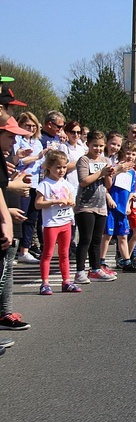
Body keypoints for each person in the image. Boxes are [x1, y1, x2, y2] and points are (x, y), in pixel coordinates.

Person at [0, 114, 31, 331]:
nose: (13, 142)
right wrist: (5, 216)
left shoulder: (7, 157)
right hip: (5, 219)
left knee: (7, 267)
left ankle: (5, 312)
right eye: (10, 136)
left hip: (11, 215)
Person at [73, 130, 117, 284]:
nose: (98, 149)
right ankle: (79, 271)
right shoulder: (84, 160)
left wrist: (109, 174)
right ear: (88, 144)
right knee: (85, 239)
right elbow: (83, 181)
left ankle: (95, 268)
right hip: (85, 206)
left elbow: (108, 185)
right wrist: (101, 172)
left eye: (100, 146)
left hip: (101, 205)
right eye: (95, 146)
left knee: (96, 240)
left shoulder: (105, 160)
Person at [35, 150, 81, 294]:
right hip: (51, 223)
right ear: (49, 167)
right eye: (58, 167)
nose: (61, 171)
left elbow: (72, 200)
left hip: (66, 221)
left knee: (64, 253)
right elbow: (38, 204)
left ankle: (66, 281)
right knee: (48, 253)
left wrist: (70, 202)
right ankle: (45, 283)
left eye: (64, 167)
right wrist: (55, 201)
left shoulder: (66, 183)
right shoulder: (45, 184)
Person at [103, 141, 136, 274]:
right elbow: (106, 185)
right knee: (107, 235)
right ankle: (101, 261)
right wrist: (109, 199)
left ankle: (126, 261)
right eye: (128, 153)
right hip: (111, 206)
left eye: (133, 154)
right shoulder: (115, 167)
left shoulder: (132, 173)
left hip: (122, 208)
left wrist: (128, 205)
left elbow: (131, 191)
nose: (130, 156)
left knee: (123, 236)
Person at [13, 112, 45, 264]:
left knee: (32, 218)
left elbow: (41, 163)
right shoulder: (16, 140)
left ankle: (24, 250)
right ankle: (13, 250)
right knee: (20, 216)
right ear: (21, 125)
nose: (31, 128)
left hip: (36, 183)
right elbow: (18, 161)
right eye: (28, 126)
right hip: (22, 182)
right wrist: (37, 157)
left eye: (33, 126)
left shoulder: (37, 141)